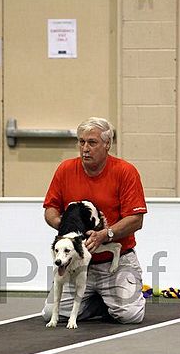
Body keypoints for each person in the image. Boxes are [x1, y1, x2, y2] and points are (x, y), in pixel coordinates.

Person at [42, 117, 147, 324]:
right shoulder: (65, 170)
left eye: (92, 142)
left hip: (115, 261)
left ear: (107, 144)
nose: (85, 149)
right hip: (78, 262)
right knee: (51, 314)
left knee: (130, 316)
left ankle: (110, 298)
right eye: (81, 142)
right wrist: (66, 228)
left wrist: (105, 234)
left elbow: (136, 220)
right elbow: (50, 209)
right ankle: (99, 302)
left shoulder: (125, 172)